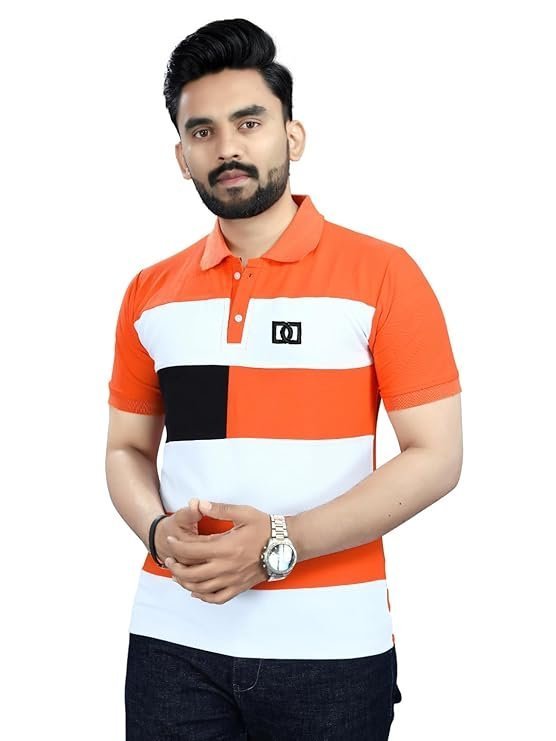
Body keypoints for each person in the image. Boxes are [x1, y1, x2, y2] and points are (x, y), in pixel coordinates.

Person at [106, 17, 463, 740]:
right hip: (173, 642)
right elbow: (126, 450)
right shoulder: (150, 293)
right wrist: (156, 530)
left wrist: (280, 540)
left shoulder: (384, 274)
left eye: (249, 123)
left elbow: (437, 456)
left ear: (292, 137)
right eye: (202, 131)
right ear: (181, 156)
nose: (227, 148)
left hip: (332, 649)